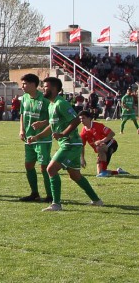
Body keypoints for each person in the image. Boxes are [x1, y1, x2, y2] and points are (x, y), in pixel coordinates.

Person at [27, 77, 103, 212]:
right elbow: (53, 125)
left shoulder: (61, 103)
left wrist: (63, 134)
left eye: (46, 86)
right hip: (67, 144)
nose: (44, 89)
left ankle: (56, 204)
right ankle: (97, 200)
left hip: (71, 144)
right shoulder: (51, 104)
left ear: (55, 89)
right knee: (75, 175)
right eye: (43, 86)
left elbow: (76, 120)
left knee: (51, 169)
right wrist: (37, 136)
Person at [18, 73, 52, 203]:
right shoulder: (25, 98)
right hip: (29, 137)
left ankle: (50, 195)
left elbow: (54, 118)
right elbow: (22, 114)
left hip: (43, 139)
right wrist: (21, 129)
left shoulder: (44, 99)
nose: (22, 86)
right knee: (28, 165)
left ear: (33, 84)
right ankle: (34, 193)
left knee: (44, 167)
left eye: (25, 84)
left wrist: (43, 123)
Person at [79, 110, 129, 177]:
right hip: (101, 148)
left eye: (83, 118)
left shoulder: (98, 126)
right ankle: (118, 171)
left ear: (89, 118)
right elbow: (82, 146)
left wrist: (102, 141)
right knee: (99, 172)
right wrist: (82, 159)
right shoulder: (83, 132)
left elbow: (112, 133)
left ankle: (104, 171)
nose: (81, 120)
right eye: (80, 118)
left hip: (111, 144)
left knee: (100, 147)